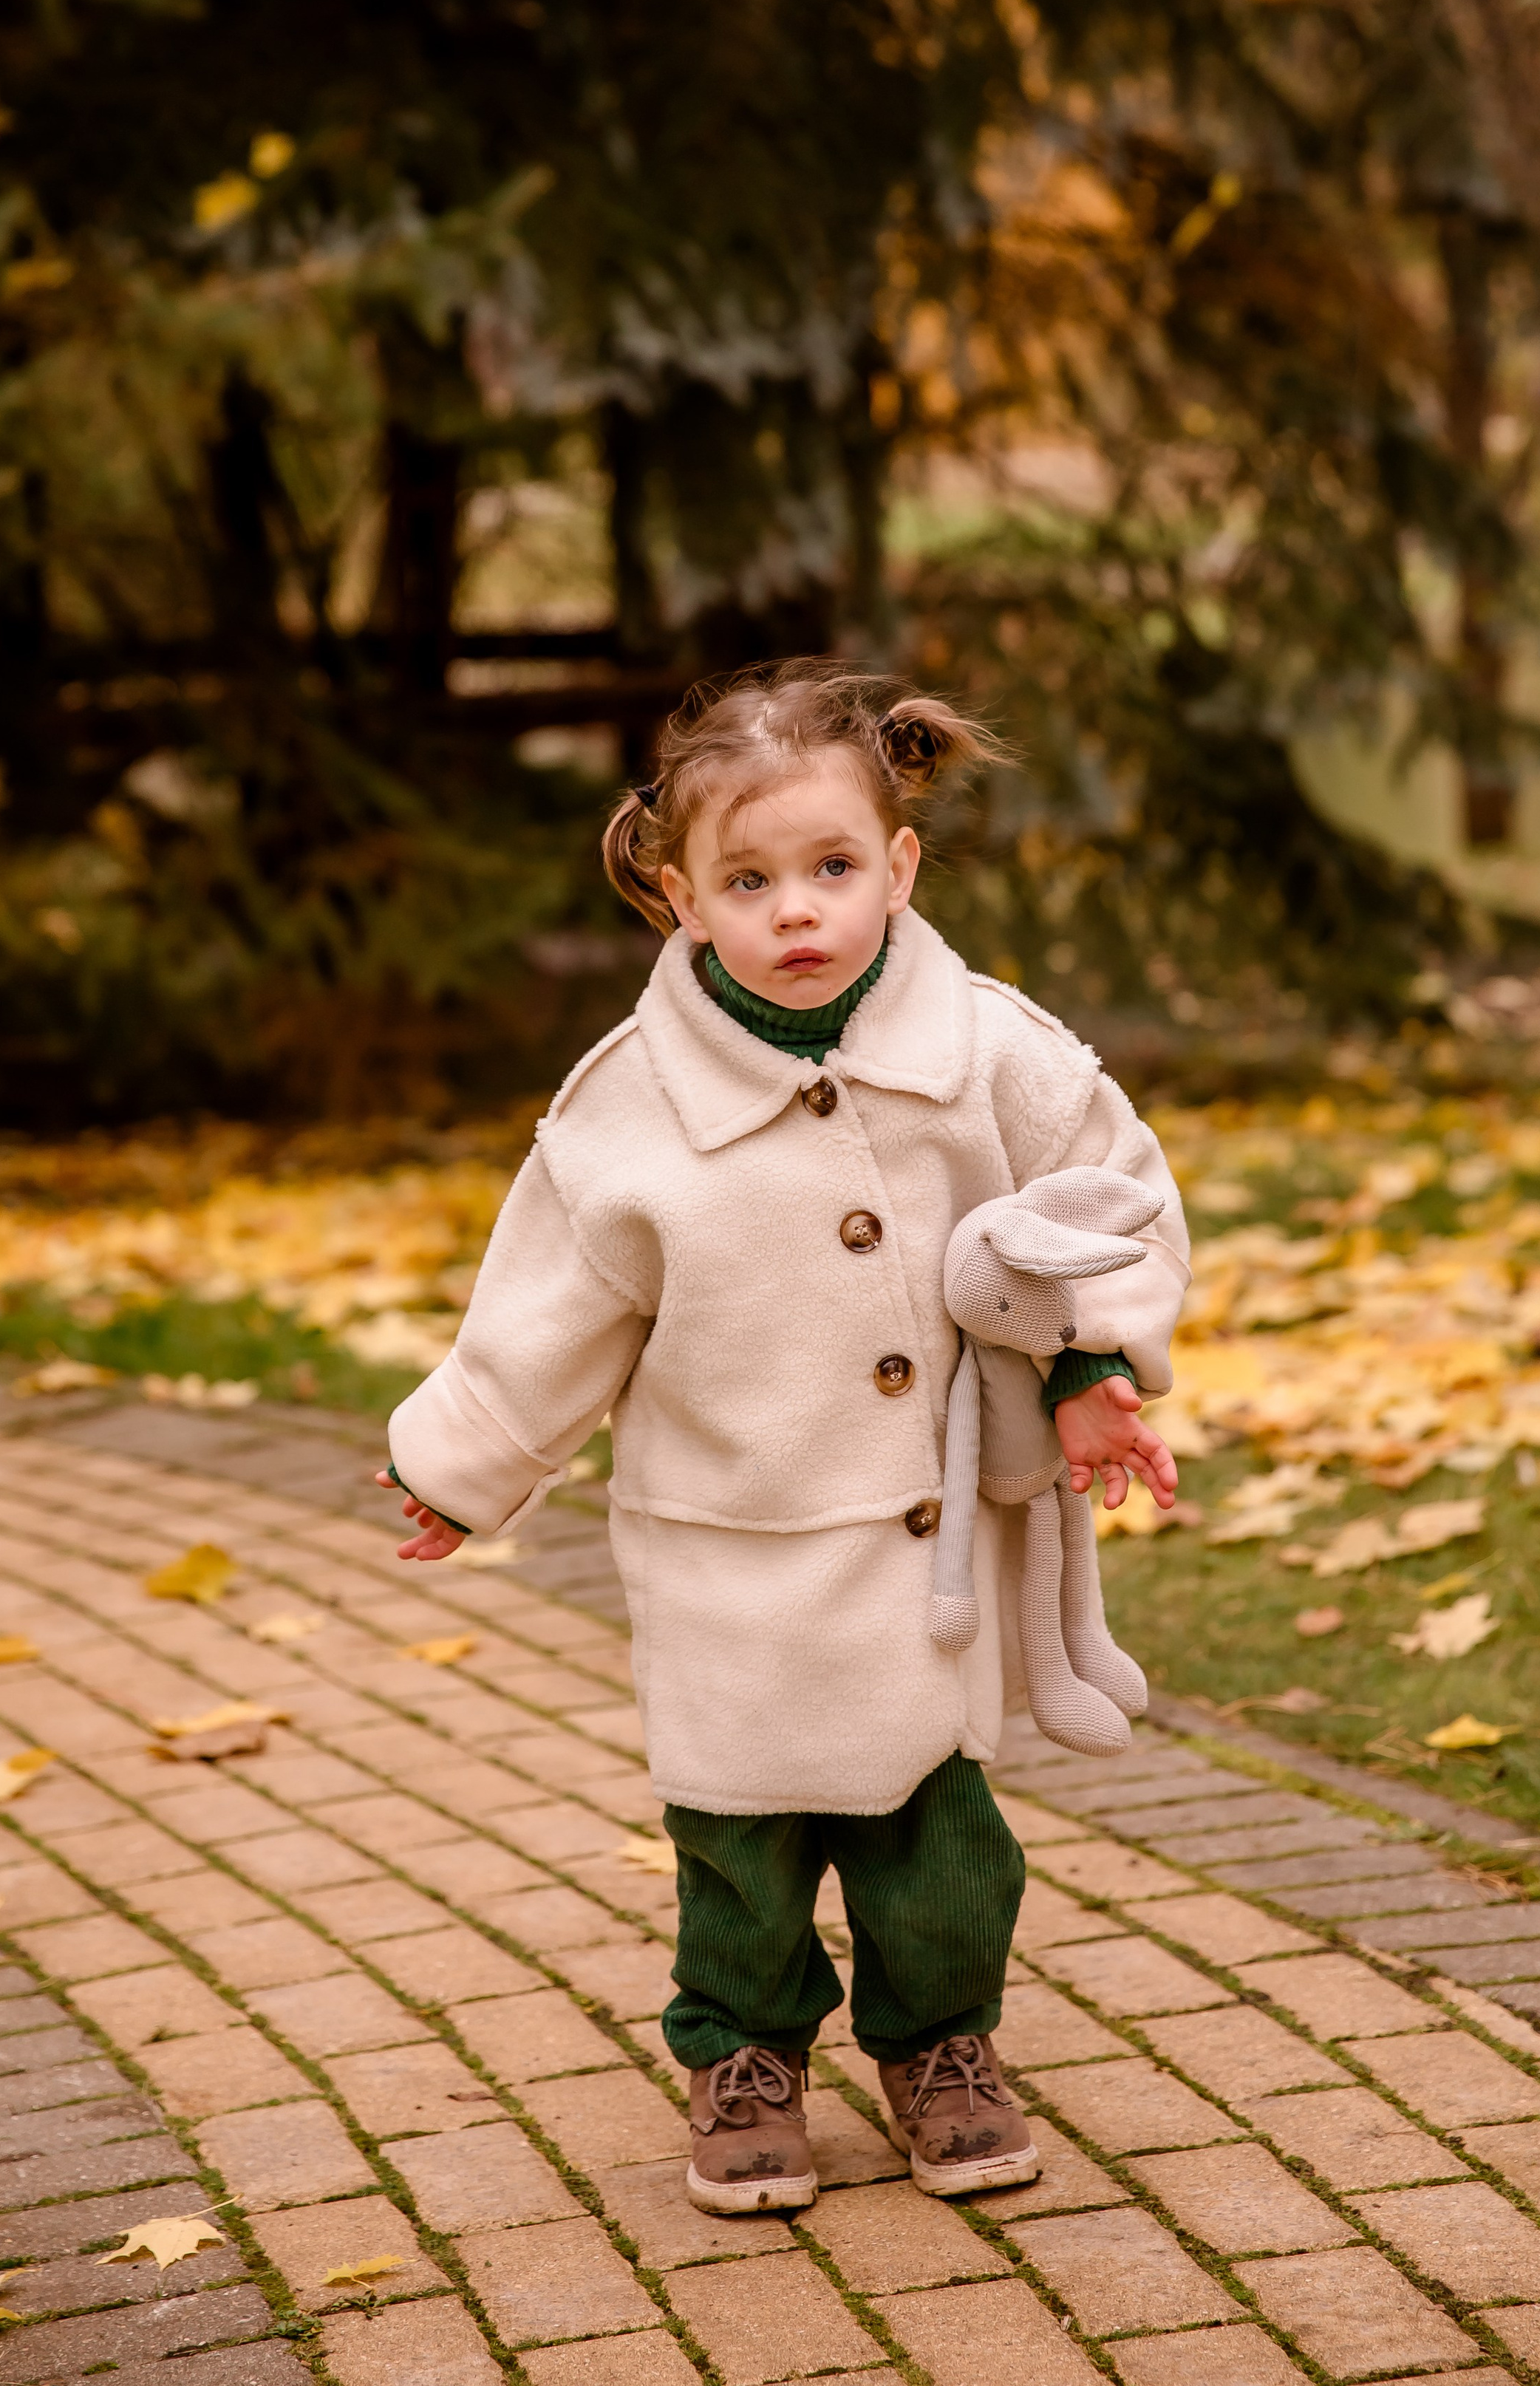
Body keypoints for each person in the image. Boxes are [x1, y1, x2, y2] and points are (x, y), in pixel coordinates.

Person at [379, 661, 1188, 2215]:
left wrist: (1091, 1361)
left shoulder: (993, 1051)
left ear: (896, 866)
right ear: (681, 895)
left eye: (829, 869)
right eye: (747, 881)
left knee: (936, 1838)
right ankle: (742, 2055)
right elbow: (554, 1302)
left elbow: (1104, 1198)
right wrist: (460, 1461)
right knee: (739, 1843)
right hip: (724, 1544)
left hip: (922, 1541)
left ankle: (938, 2041)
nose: (794, 912)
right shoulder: (629, 1110)